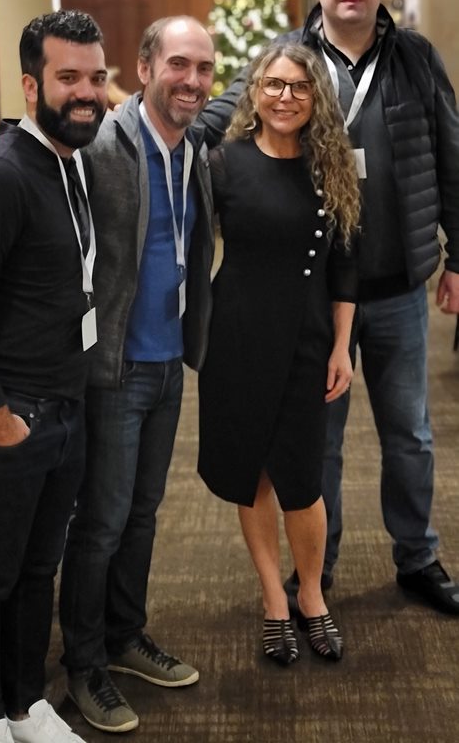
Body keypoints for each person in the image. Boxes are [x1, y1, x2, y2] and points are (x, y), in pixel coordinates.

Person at [59, 16, 244, 733]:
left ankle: (123, 634)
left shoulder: (194, 147)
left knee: (142, 513)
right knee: (101, 520)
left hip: (170, 365)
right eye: (178, 65)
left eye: (203, 68)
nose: (192, 81)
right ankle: (83, 665)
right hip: (116, 369)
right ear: (143, 68)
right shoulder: (103, 146)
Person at [281, 0, 459, 613]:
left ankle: (418, 558)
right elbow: (235, 129)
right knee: (319, 440)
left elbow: (451, 157)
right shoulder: (290, 59)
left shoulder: (415, 58)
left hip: (397, 288)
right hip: (317, 294)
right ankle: (316, 567)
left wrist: (457, 256)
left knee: (409, 433)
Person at [0, 9, 109, 743]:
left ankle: (24, 705)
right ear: (30, 85)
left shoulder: (70, 159)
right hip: (11, 415)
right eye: (67, 77)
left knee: (35, 569)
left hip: (64, 410)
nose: (86, 93)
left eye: (96, 78)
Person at [198, 42, 360, 664]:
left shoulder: (332, 166)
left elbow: (345, 269)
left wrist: (342, 346)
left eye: (299, 87)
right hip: (238, 342)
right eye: (273, 84)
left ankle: (310, 595)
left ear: (316, 97)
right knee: (253, 475)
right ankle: (273, 600)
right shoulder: (223, 163)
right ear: (254, 92)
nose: (285, 97)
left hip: (307, 343)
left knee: (304, 481)